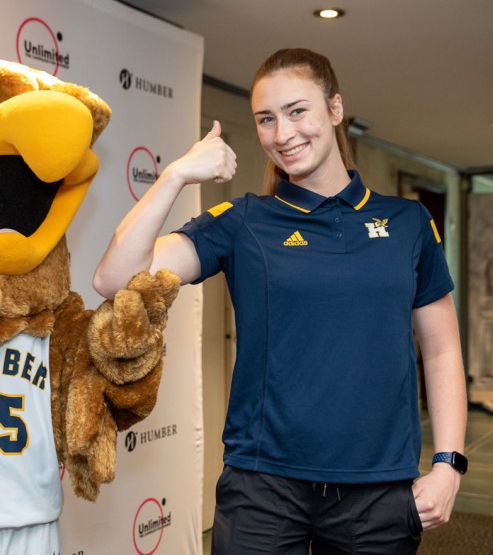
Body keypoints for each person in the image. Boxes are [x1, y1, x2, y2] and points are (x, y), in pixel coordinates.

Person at [93, 48, 467, 554]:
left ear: (334, 109)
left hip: (378, 487)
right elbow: (115, 279)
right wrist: (176, 174)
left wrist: (449, 464)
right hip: (263, 486)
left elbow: (442, 351)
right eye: (266, 119)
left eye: (297, 111)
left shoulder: (408, 223)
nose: (282, 133)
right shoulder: (243, 222)